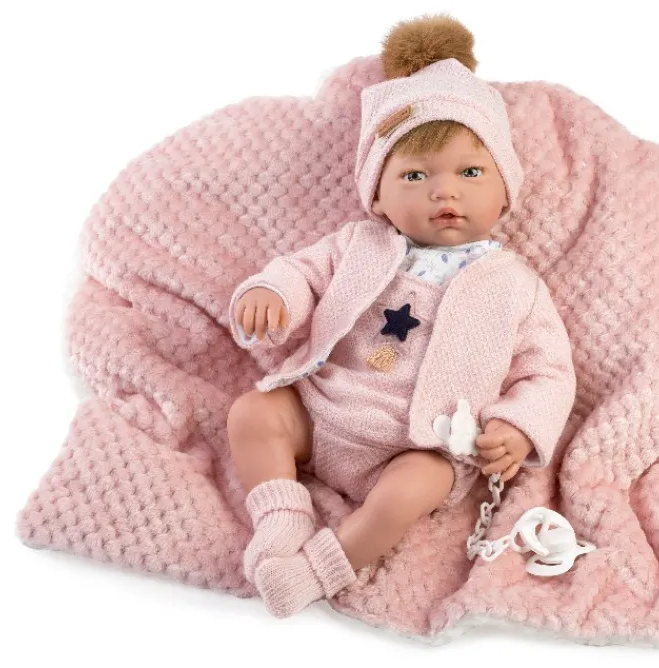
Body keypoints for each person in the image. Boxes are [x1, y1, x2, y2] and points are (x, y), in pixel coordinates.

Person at [225, 14, 576, 618]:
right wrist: (272, 293)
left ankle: (321, 568)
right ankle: (281, 517)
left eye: (471, 172)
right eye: (415, 175)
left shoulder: (514, 285)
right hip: (323, 412)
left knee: (411, 490)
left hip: (420, 444)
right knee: (253, 412)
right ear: (379, 195)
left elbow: (549, 372)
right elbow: (301, 271)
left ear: (505, 192)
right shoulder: (358, 244)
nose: (446, 192)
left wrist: (519, 427)